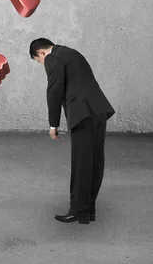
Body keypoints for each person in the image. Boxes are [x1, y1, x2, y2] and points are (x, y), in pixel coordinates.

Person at [30, 38, 115, 224]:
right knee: (95, 160)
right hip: (99, 109)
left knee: (81, 162)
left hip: (82, 113)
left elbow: (54, 91)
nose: (42, 63)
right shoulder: (71, 53)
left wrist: (53, 124)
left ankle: (78, 209)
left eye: (39, 61)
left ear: (40, 53)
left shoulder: (52, 58)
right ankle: (88, 209)